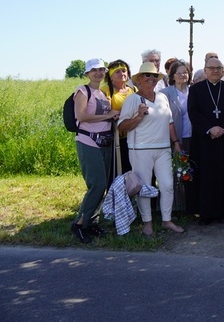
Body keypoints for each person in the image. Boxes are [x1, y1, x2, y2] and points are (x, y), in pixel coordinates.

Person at [118, 62, 184, 235]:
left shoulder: (162, 97)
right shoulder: (132, 99)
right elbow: (122, 126)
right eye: (147, 75)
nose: (152, 78)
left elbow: (169, 122)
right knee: (145, 186)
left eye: (155, 76)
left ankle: (166, 220)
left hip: (163, 148)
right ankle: (147, 222)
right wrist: (138, 117)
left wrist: (176, 142)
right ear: (139, 79)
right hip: (140, 149)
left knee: (167, 184)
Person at [188, 57, 224, 225]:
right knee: (205, 175)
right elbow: (193, 112)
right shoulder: (196, 89)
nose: (215, 71)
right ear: (205, 70)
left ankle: (223, 212)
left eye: (218, 68)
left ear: (223, 70)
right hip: (204, 140)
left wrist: (223, 128)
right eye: (211, 68)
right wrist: (210, 129)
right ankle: (205, 213)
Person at [71, 58, 120, 243]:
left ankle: (90, 223)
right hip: (87, 142)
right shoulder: (83, 91)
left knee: (102, 185)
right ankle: (78, 224)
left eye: (101, 70)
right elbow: (81, 116)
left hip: (105, 143)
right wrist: (108, 115)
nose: (98, 73)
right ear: (87, 73)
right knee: (97, 184)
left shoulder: (102, 94)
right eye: (94, 70)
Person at [162, 60, 197, 214]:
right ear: (173, 75)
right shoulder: (166, 93)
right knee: (177, 170)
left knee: (192, 170)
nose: (183, 75)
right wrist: (175, 140)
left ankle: (192, 204)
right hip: (175, 137)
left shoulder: (194, 91)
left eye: (185, 72)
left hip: (193, 136)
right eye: (179, 72)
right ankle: (177, 206)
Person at [101, 59, 136, 175]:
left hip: (133, 137)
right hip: (115, 138)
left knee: (132, 170)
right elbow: (106, 111)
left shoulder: (134, 90)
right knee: (116, 170)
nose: (122, 74)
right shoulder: (106, 90)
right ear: (110, 76)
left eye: (124, 71)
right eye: (118, 72)